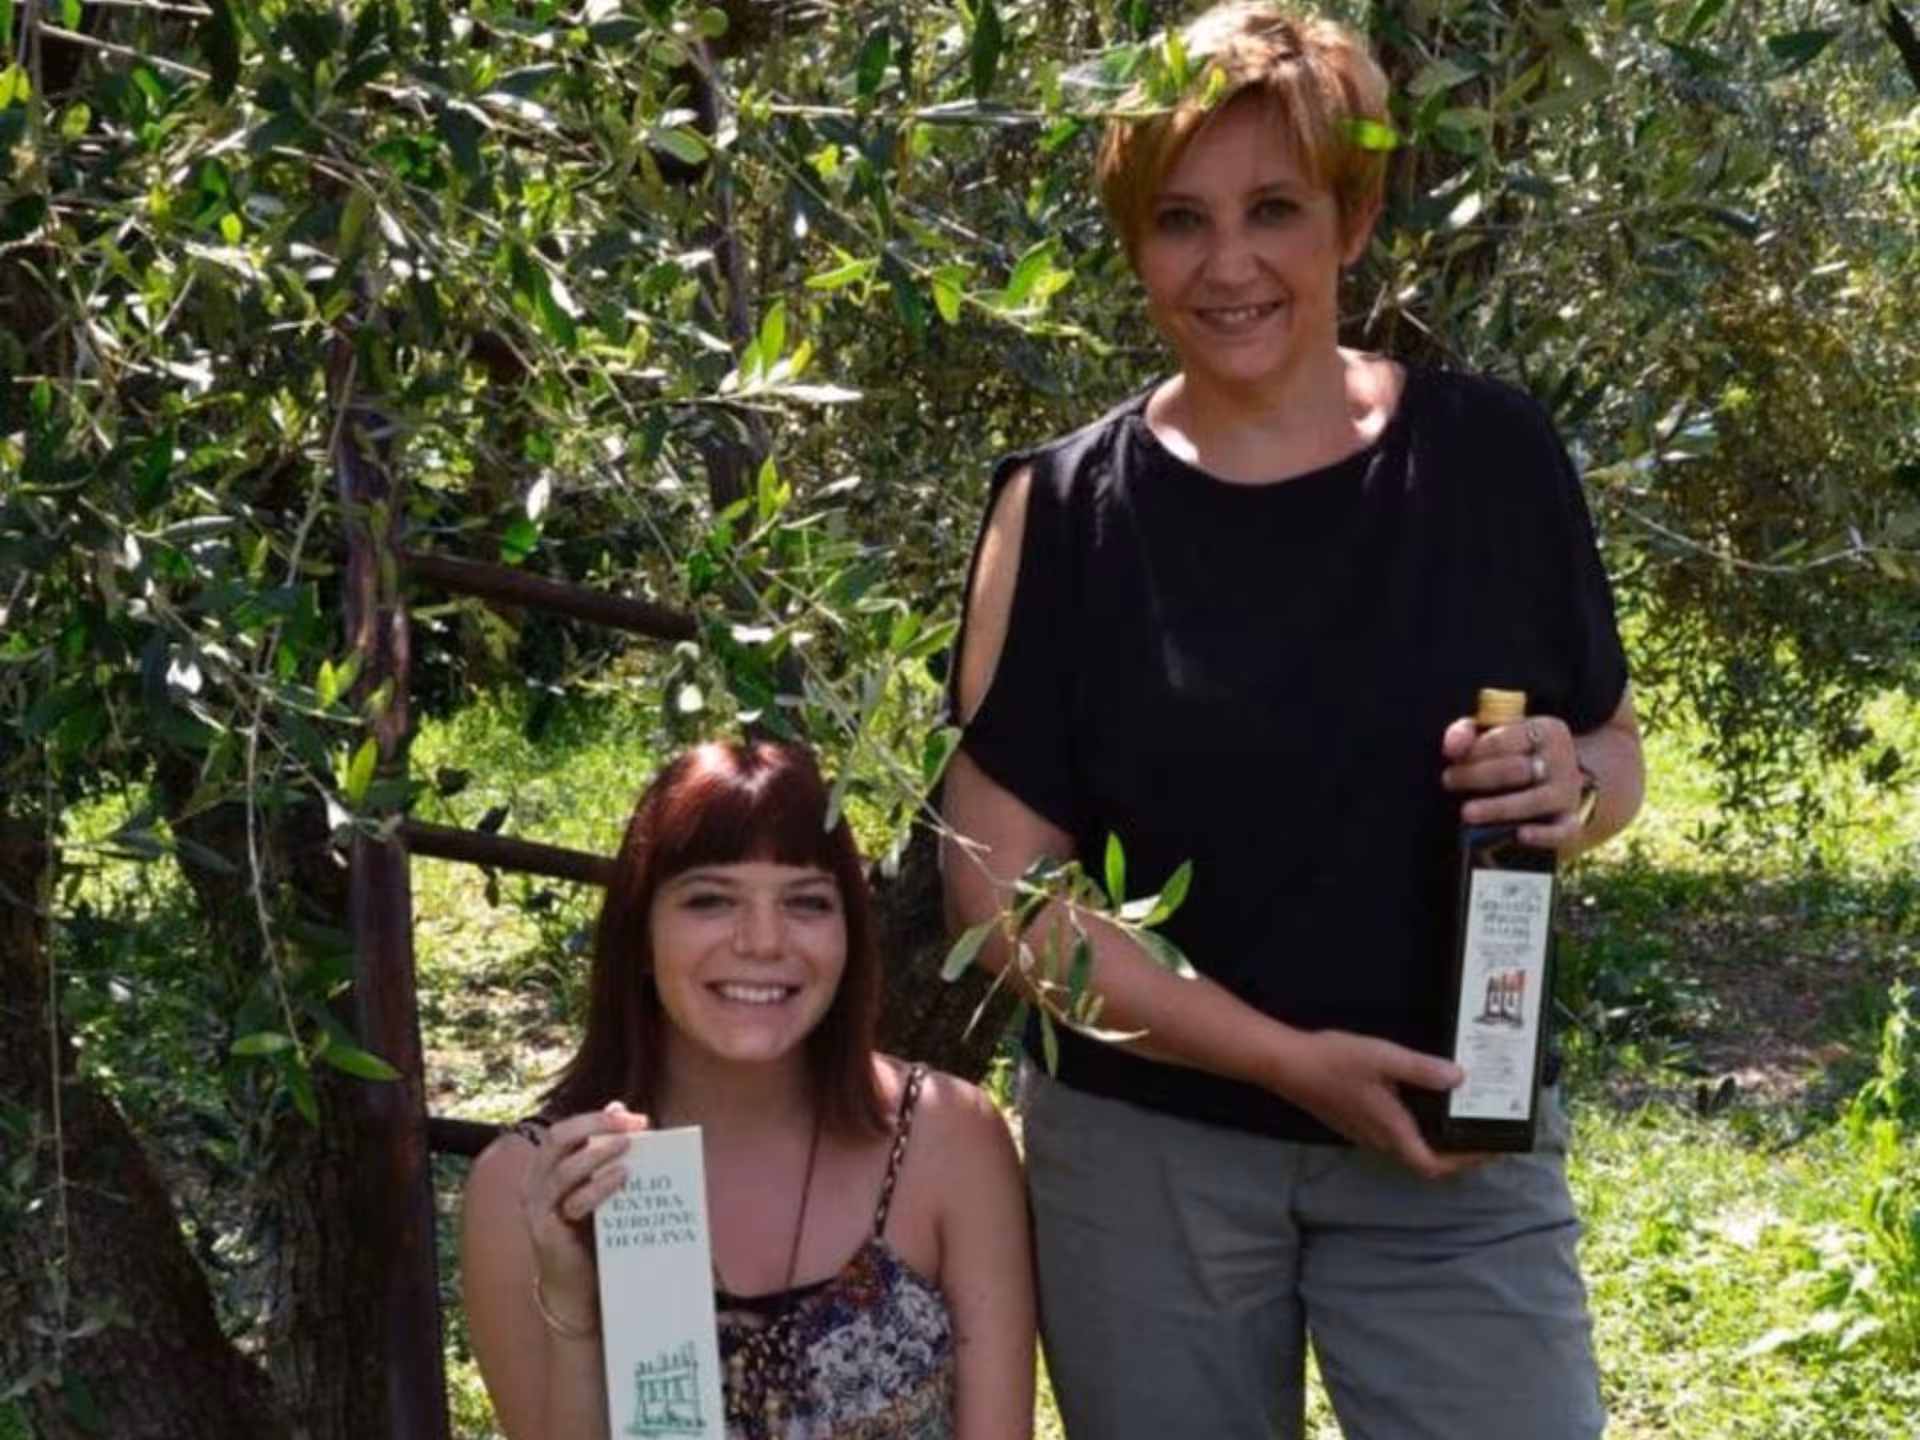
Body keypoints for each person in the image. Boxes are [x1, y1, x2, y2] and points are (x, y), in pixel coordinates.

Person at [940, 5, 1645, 1439]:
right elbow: (1003, 895)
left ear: (1357, 213)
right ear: (1135, 241)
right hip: (1149, 1159)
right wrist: (1281, 1060)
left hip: (1457, 1140)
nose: (1230, 264)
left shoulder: (1492, 462)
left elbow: (1616, 754)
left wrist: (1573, 785)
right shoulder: (1064, 514)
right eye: (1180, 220)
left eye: (1274, 208)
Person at [463, 739, 1034, 1440]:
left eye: (807, 902)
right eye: (709, 900)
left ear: (850, 933)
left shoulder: (949, 1138)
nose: (763, 941)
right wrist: (576, 1316)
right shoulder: (530, 1188)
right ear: (640, 935)